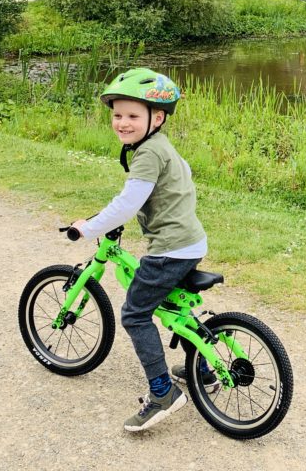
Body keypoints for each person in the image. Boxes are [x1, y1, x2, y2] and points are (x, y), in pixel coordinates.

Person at [71, 67, 208, 433]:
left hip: (171, 249)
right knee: (176, 303)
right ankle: (203, 368)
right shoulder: (160, 146)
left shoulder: (147, 154)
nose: (123, 123)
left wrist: (89, 227)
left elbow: (129, 202)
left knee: (134, 313)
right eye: (117, 115)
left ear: (157, 117)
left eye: (133, 115)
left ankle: (163, 392)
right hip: (192, 241)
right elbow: (184, 175)